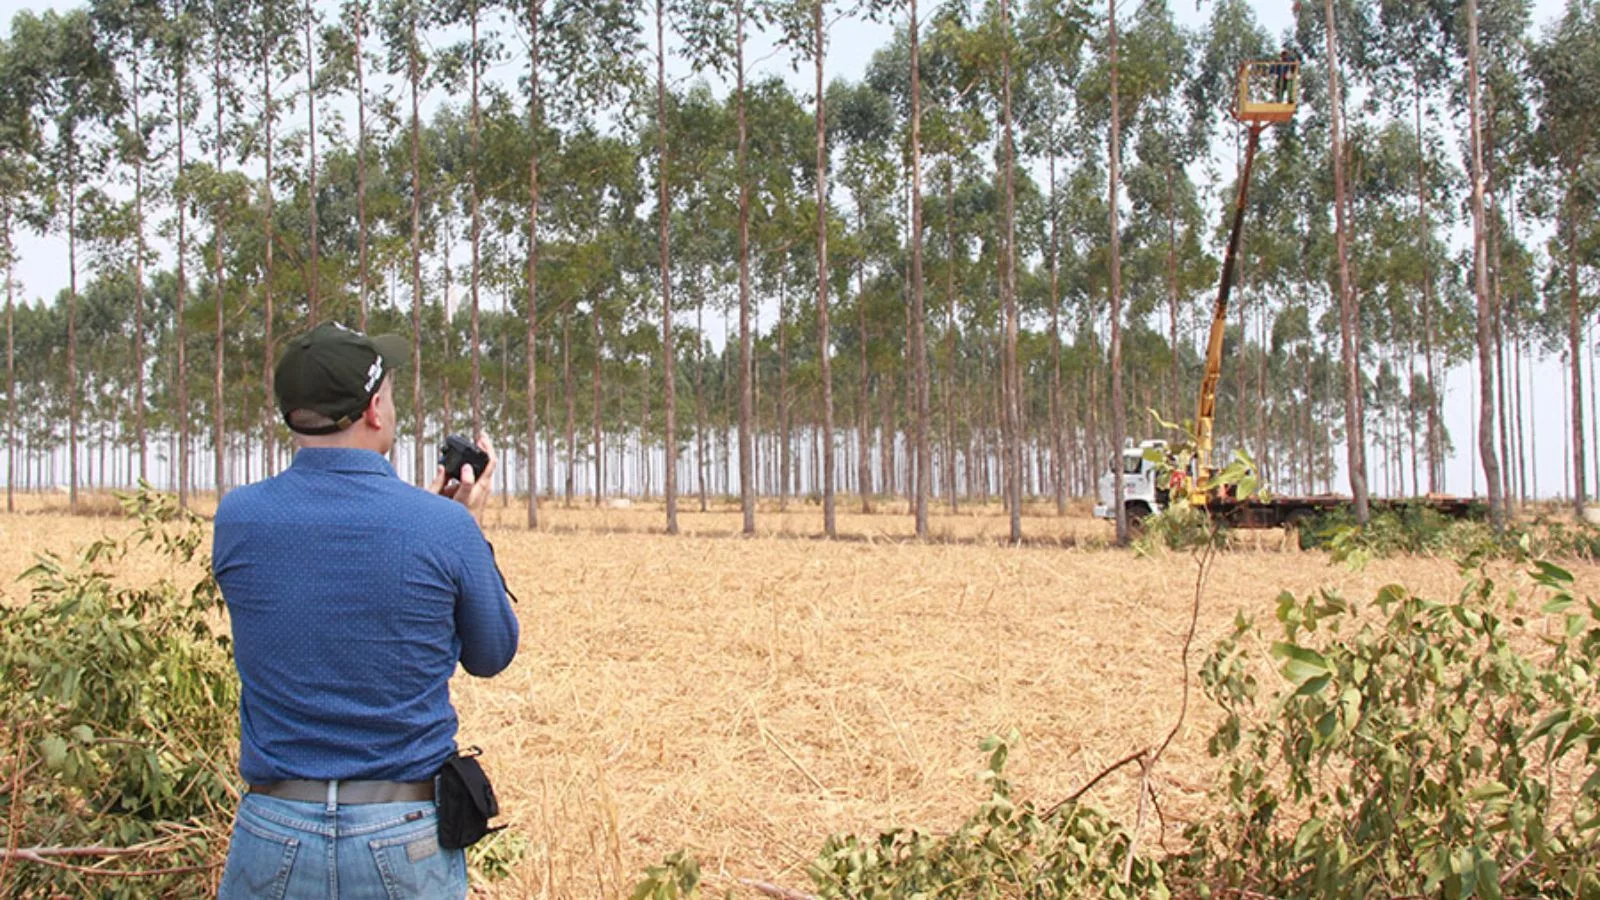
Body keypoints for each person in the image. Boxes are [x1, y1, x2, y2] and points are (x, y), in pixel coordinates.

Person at [213, 321, 519, 899]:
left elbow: (322, 589)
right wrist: (463, 532)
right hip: (403, 829)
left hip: (273, 824)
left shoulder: (238, 518)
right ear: (375, 409)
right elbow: (492, 652)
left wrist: (434, 529)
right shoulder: (443, 527)